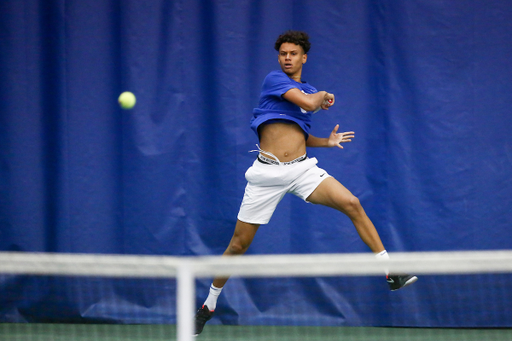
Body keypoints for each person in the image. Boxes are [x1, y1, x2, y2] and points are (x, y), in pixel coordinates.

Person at [194, 30, 417, 336]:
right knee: (238, 244)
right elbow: (310, 104)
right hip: (266, 175)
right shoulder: (275, 81)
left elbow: (298, 130)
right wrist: (322, 96)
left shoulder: (308, 90)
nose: (287, 58)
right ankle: (209, 305)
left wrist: (326, 142)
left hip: (301, 170)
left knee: (352, 203)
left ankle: (391, 271)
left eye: (292, 54)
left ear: (303, 57)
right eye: (283, 53)